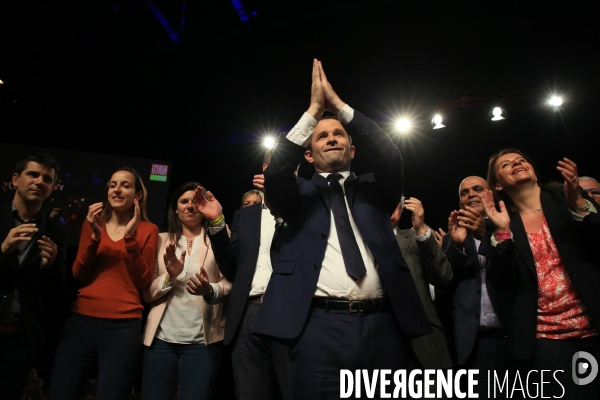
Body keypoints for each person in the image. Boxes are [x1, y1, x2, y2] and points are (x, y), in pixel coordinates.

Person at [253, 59, 430, 398]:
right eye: (321, 136)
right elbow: (276, 174)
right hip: (319, 327)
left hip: (385, 325)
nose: (331, 138)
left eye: (339, 135)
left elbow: (392, 157)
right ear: (309, 154)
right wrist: (313, 111)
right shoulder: (296, 196)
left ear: (352, 149)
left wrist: (340, 108)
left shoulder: (375, 190)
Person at [483, 149, 600, 398]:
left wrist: (579, 205)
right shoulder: (500, 220)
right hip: (547, 340)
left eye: (522, 160)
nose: (516, 162)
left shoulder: (564, 196)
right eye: (506, 164)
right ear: (498, 185)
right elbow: (501, 283)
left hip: (594, 326)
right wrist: (502, 233)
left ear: (534, 171)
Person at [48, 166, 158, 400]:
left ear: (138, 195)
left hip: (123, 326)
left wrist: (129, 238)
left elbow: (143, 279)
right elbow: (78, 274)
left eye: (125, 185)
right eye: (112, 185)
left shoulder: (149, 230)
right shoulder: (92, 223)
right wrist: (95, 238)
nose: (117, 189)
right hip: (81, 322)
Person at [196, 148, 292, 400]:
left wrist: (282, 205)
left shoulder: (303, 209)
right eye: (275, 168)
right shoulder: (244, 215)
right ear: (264, 170)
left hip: (290, 311)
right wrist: (217, 223)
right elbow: (231, 267)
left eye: (287, 168)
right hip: (247, 313)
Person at [142, 182, 231, 400]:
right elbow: (147, 294)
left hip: (203, 343)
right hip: (161, 342)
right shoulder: (161, 240)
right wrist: (170, 276)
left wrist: (209, 290)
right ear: (175, 208)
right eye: (184, 201)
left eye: (195, 201)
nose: (190, 206)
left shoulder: (219, 237)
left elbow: (229, 283)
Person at [0, 154, 66, 400]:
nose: (40, 181)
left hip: (19, 342)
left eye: (47, 179)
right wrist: (2, 249)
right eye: (33, 174)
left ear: (51, 189)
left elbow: (57, 293)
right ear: (15, 180)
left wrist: (48, 267)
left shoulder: (55, 232)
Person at [442, 176, 511, 395]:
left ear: (490, 193)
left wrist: (489, 233)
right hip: (472, 342)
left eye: (477, 189)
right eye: (465, 192)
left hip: (513, 336)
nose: (471, 194)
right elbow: (446, 281)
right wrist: (457, 247)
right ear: (461, 203)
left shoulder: (509, 226)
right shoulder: (452, 238)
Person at [389, 197, 453, 370]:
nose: (386, 208)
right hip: (376, 340)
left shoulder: (417, 237)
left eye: (392, 203)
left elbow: (443, 277)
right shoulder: (357, 242)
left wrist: (420, 230)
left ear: (401, 210)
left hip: (424, 343)